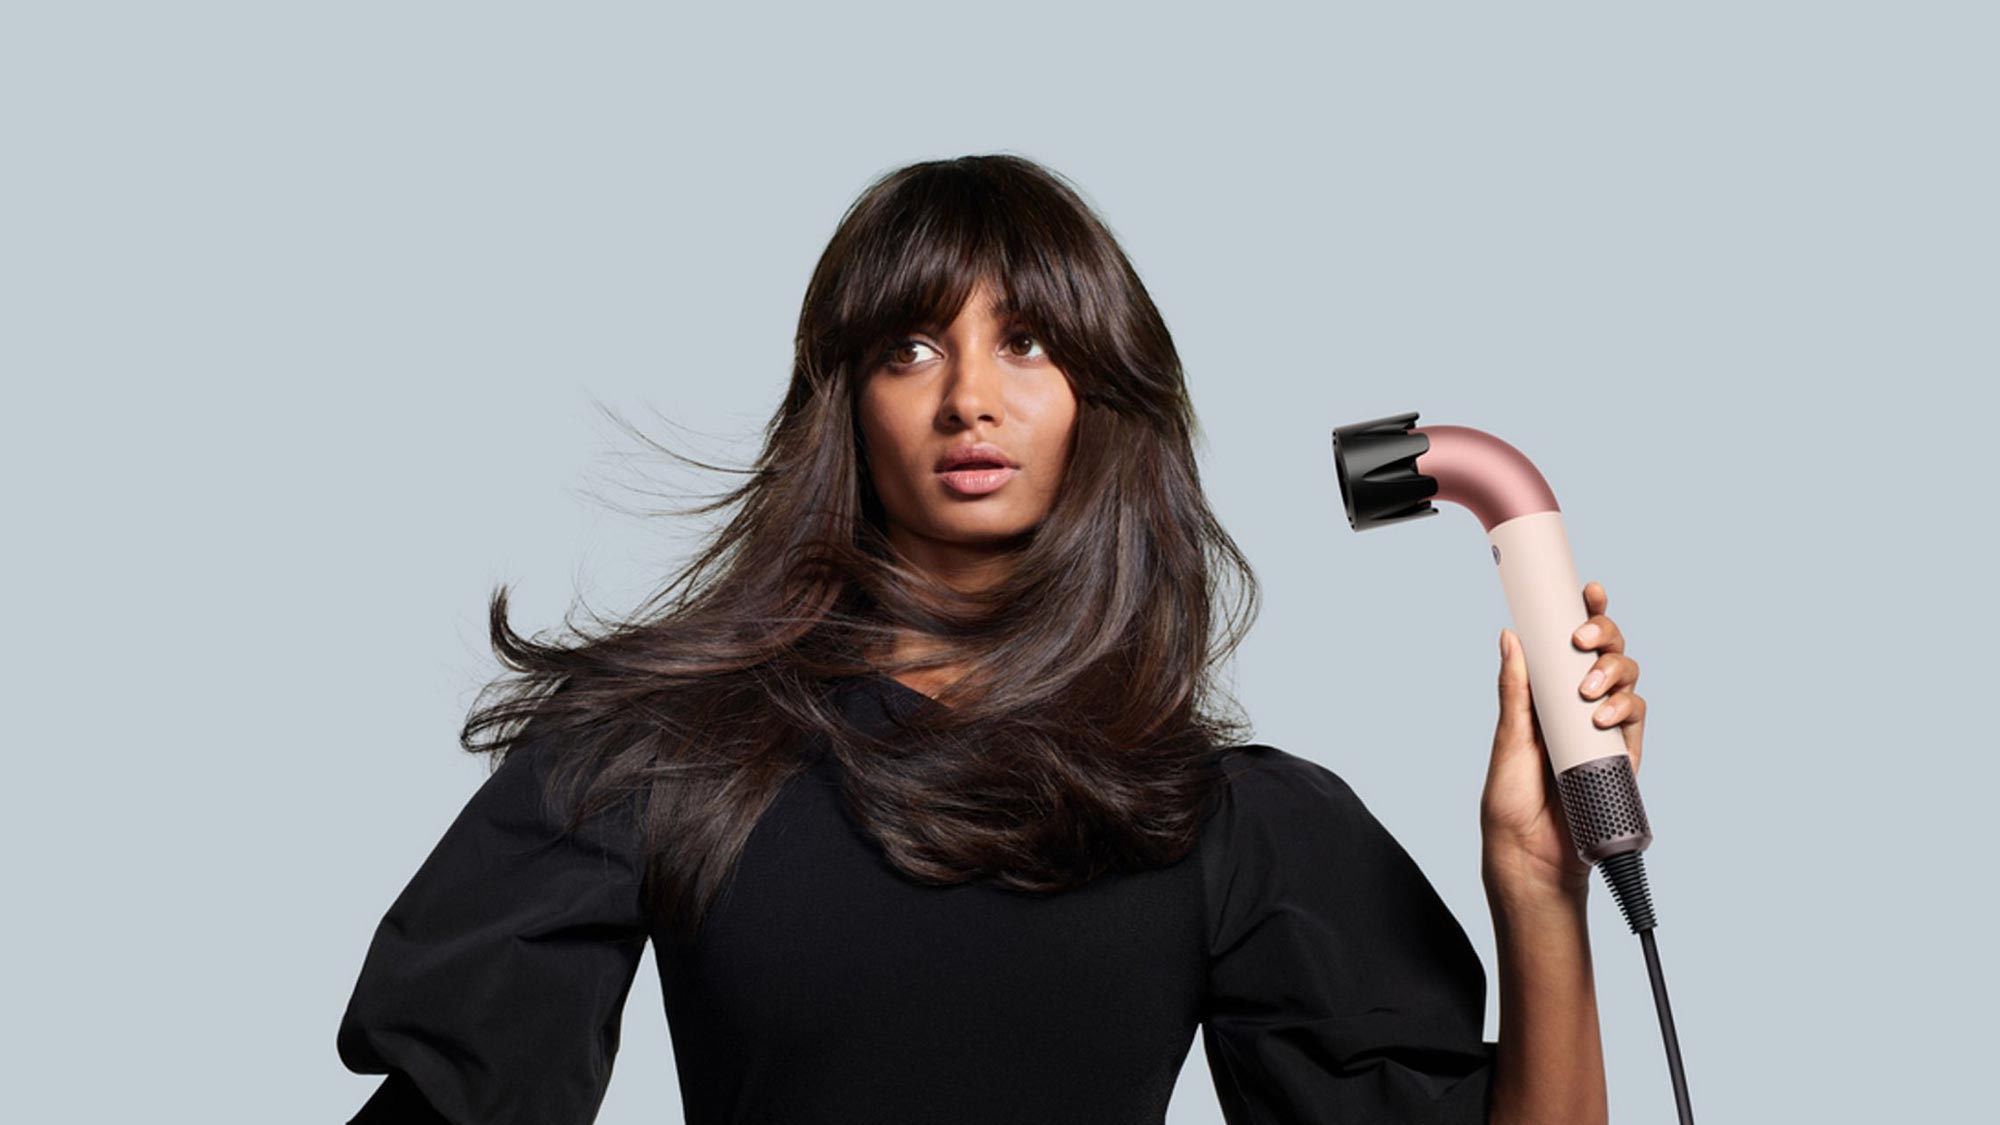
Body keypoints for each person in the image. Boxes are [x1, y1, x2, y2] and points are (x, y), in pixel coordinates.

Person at [335, 154, 1646, 1124]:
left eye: (1026, 340)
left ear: (1100, 396)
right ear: (845, 406)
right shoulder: (655, 766)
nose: (969, 395)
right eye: (912, 345)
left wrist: (1540, 886)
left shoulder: (1229, 826)